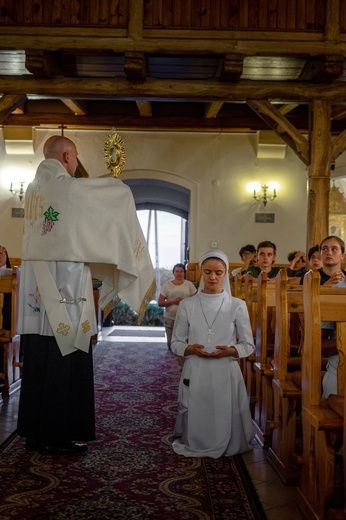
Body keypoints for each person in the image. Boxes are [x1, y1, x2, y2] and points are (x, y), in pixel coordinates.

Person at [17, 135, 155, 455]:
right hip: (64, 292)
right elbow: (107, 201)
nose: (77, 164)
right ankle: (57, 436)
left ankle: (35, 433)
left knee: (39, 361)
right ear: (67, 155)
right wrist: (116, 185)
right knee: (65, 360)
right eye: (76, 157)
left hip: (36, 296)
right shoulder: (68, 189)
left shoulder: (33, 189)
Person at [170, 249, 255, 458]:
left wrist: (231, 350)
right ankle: (197, 441)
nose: (213, 277)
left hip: (225, 368)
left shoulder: (237, 305)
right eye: (207, 272)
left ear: (226, 273)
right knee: (198, 409)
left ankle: (229, 441)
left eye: (218, 272)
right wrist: (189, 349)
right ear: (201, 273)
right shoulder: (187, 304)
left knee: (224, 411)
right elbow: (176, 342)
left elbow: (248, 345)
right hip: (196, 366)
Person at [301, 236, 346, 397]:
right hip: (340, 368)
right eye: (325, 249)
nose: (329, 252)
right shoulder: (312, 279)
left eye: (334, 249)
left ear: (343, 256)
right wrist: (324, 291)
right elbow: (319, 342)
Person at [158, 263, 196, 348]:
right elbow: (160, 302)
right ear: (173, 273)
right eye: (177, 271)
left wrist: (184, 301)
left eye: (181, 271)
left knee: (183, 343)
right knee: (170, 343)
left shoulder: (189, 284)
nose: (179, 273)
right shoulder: (167, 285)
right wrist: (173, 301)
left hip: (186, 317)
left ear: (184, 273)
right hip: (170, 317)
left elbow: (196, 299)